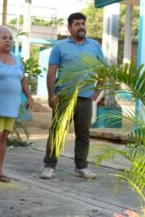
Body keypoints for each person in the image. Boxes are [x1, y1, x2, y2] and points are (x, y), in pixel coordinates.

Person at [41, 12, 105, 180]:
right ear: (70, 28)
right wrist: (51, 94)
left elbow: (103, 70)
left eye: (83, 23)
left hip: (85, 97)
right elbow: (52, 71)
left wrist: (99, 89)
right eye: (77, 24)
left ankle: (81, 167)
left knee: (83, 133)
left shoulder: (94, 46)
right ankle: (49, 165)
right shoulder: (60, 47)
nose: (81, 26)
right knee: (57, 131)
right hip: (64, 96)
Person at [0, 26, 33, 185]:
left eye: (10, 38)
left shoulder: (16, 59)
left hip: (11, 105)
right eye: (4, 38)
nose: (8, 41)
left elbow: (22, 80)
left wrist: (29, 97)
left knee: (3, 138)